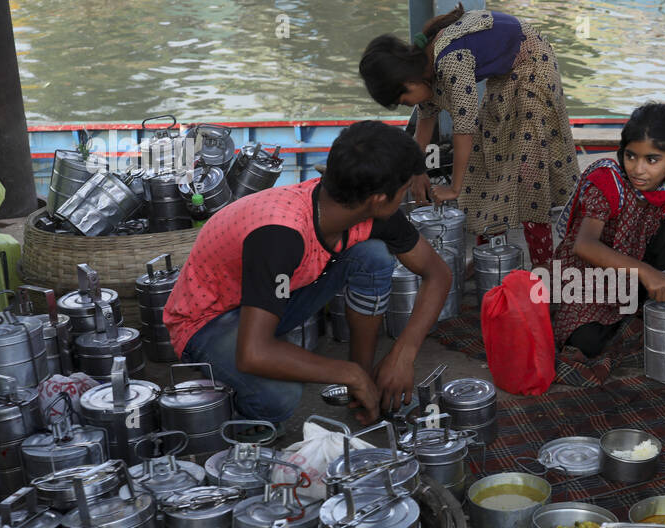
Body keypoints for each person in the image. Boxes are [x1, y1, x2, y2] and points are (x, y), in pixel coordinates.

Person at [162, 121, 451, 426]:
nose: (404, 196)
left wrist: (402, 355)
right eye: (404, 190)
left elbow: (438, 274)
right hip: (207, 322)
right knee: (280, 396)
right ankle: (237, 418)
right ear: (379, 198)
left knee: (372, 256)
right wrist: (346, 374)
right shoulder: (279, 236)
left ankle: (362, 382)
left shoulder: (359, 206)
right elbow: (253, 353)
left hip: (268, 301)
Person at [359, 5, 581, 268]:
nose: (408, 104)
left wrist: (454, 188)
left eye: (403, 99)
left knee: (527, 175)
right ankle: (486, 260)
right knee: (482, 170)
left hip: (533, 66)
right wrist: (416, 171)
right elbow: (424, 123)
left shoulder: (450, 61)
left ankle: (544, 268)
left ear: (411, 81)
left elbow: (464, 129)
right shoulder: (425, 67)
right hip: (504, 76)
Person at [551, 103, 665, 357]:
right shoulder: (608, 180)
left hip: (647, 283)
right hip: (594, 282)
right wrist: (645, 272)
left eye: (652, 160)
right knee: (584, 344)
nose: (638, 169)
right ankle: (637, 317)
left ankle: (657, 305)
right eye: (631, 156)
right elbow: (585, 245)